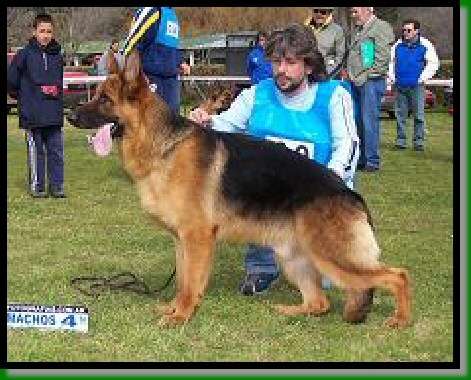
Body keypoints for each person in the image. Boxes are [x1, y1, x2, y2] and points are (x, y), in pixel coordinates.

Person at [189, 24, 359, 295]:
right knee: (251, 185)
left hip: (319, 194)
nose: (281, 69)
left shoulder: (334, 96)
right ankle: (261, 268)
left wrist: (331, 182)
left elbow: (347, 145)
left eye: (290, 62)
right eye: (276, 62)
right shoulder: (257, 94)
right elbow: (225, 125)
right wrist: (205, 121)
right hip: (269, 197)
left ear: (309, 65)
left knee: (329, 279)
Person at [7, 13, 65, 198]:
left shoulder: (57, 55)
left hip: (53, 113)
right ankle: (38, 187)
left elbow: (58, 83)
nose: (46, 35)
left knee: (56, 151)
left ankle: (57, 187)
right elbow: (11, 81)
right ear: (34, 32)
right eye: (42, 31)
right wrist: (24, 98)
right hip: (32, 114)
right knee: (36, 152)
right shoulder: (23, 55)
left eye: (49, 31)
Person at [346, 7, 394, 172]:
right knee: (357, 122)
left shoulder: (381, 27)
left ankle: (372, 161)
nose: (353, 16)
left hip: (370, 82)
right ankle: (361, 158)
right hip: (356, 82)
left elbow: (381, 60)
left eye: (356, 11)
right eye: (351, 12)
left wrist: (364, 76)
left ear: (368, 9)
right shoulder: (358, 29)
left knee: (369, 123)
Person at [121, 7, 190, 115]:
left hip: (171, 80)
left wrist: (180, 62)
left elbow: (171, 46)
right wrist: (136, 77)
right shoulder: (151, 11)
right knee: (150, 121)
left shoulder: (172, 14)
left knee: (172, 122)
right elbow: (132, 45)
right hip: (151, 78)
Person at [388, 19, 439, 151]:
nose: (405, 33)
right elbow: (390, 62)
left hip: (417, 86)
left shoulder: (425, 44)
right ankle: (401, 141)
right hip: (400, 85)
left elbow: (434, 63)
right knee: (400, 115)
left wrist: (421, 78)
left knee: (419, 115)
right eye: (404, 30)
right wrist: (393, 78)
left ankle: (418, 142)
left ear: (416, 31)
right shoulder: (398, 45)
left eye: (409, 30)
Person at [304, 7, 345, 77]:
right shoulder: (305, 28)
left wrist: (328, 70)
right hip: (307, 72)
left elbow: (339, 56)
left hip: (327, 73)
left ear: (329, 13)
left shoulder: (337, 31)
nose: (319, 14)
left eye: (323, 12)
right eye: (316, 11)